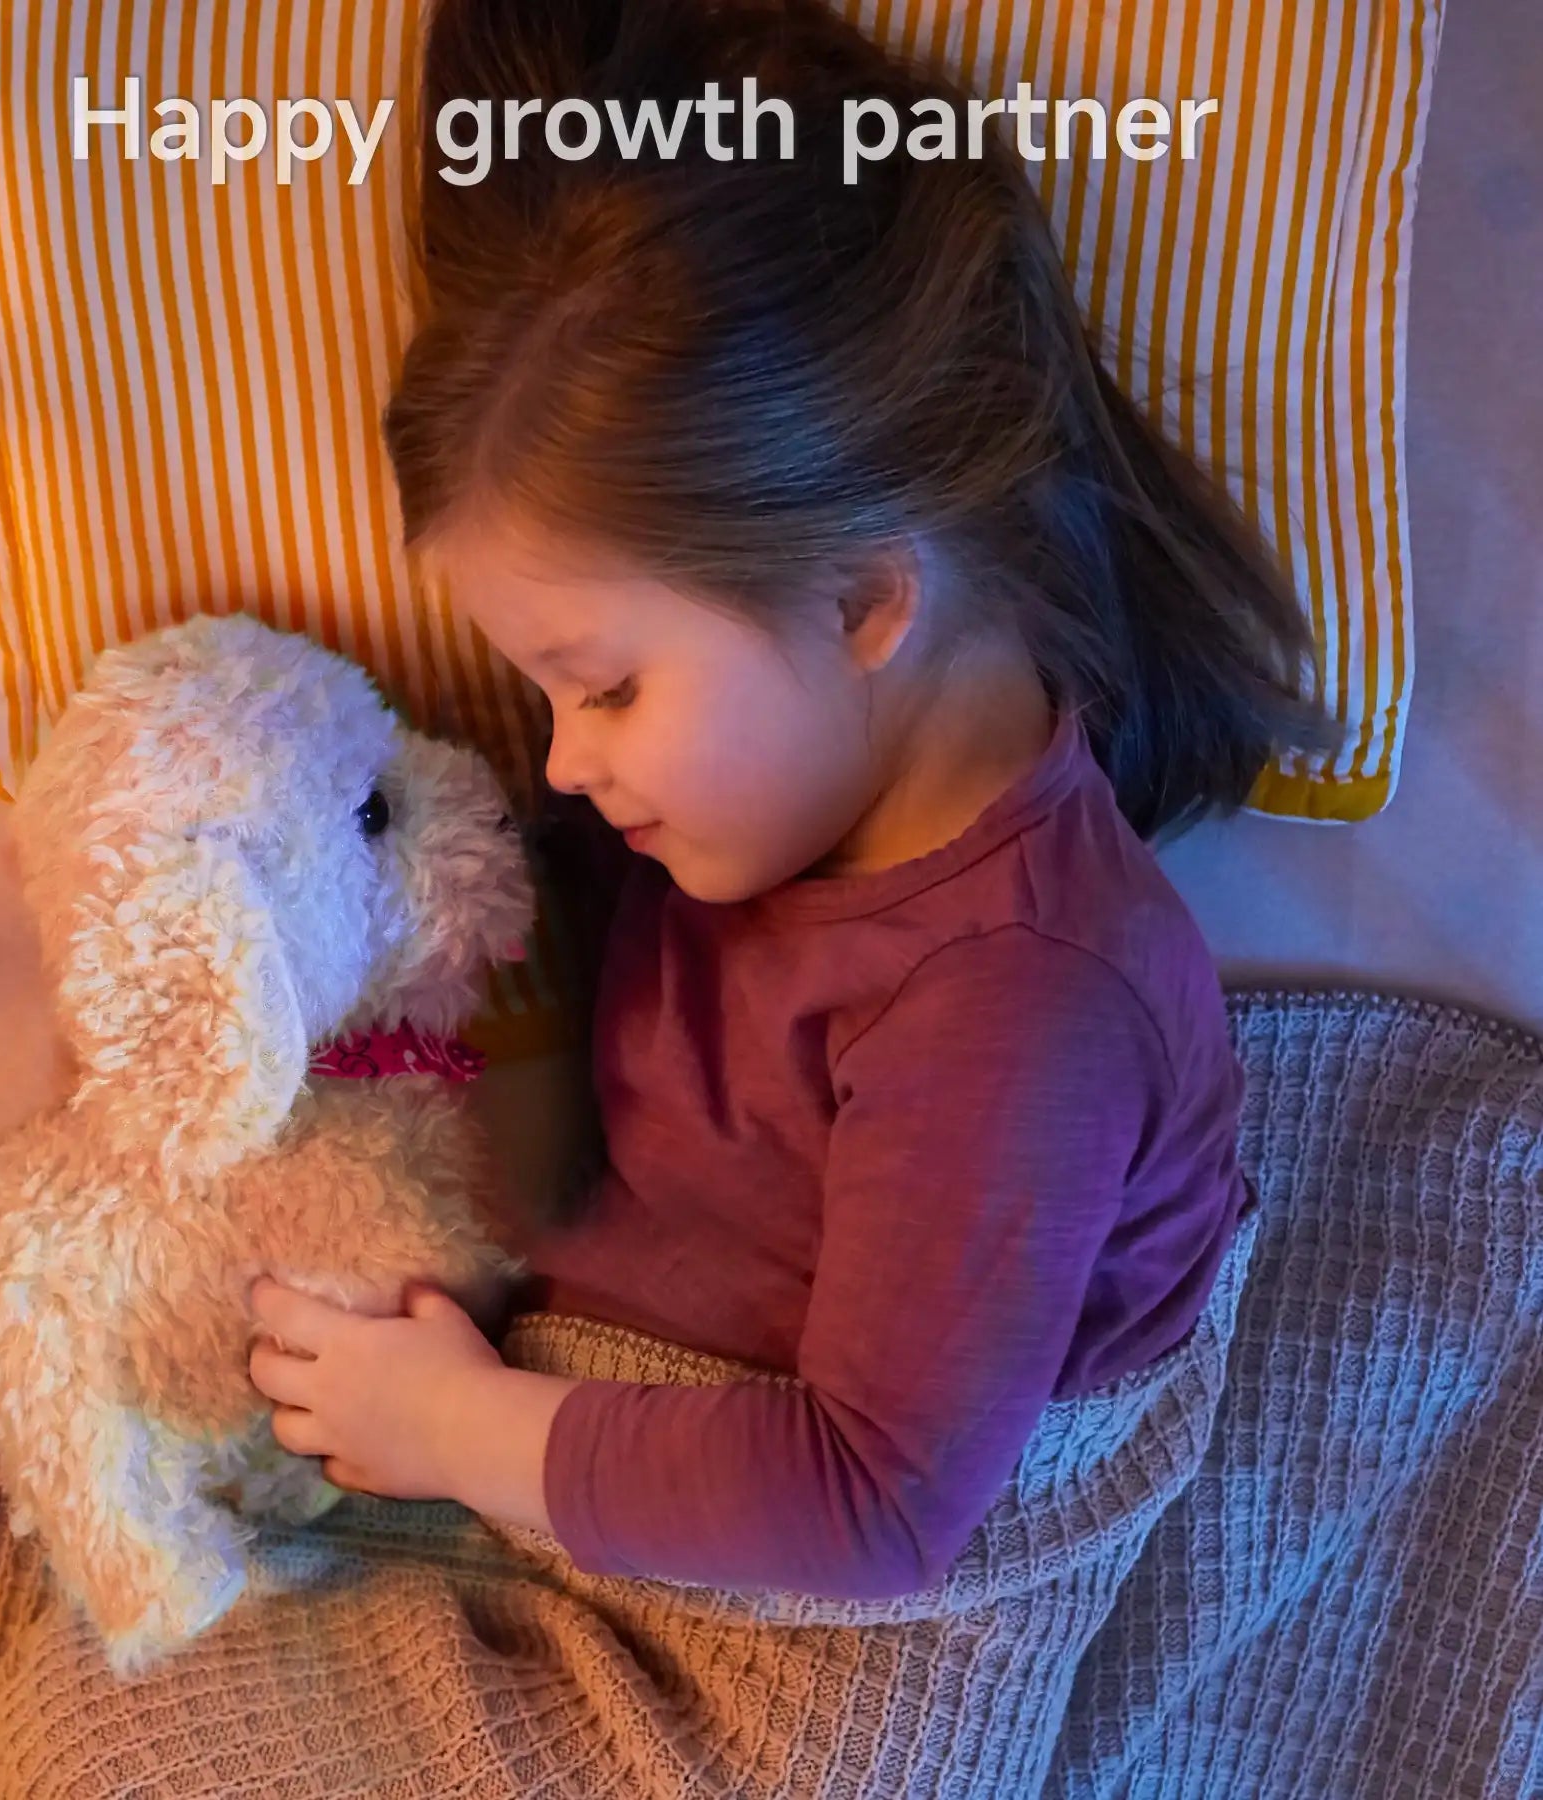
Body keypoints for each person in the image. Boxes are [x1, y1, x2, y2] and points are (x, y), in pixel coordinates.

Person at [247, 0, 1337, 1609]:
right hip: (611, 1448)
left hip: (851, 1633)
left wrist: (462, 1430)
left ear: (863, 603)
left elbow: (878, 1511)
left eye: (604, 687)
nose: (560, 759)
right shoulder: (773, 802)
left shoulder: (1017, 1001)